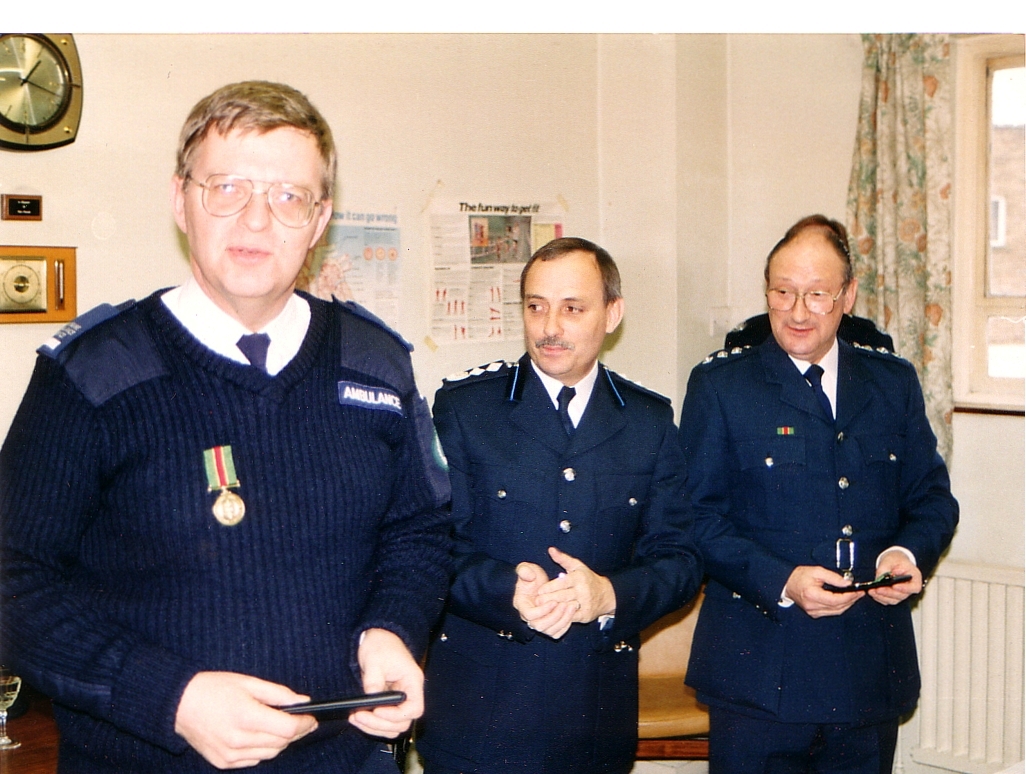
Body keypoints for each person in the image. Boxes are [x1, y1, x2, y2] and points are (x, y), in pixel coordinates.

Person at [0, 81, 451, 773]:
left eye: (288, 196)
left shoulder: (377, 362)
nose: (257, 221)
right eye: (228, 188)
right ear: (180, 200)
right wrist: (169, 696)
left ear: (319, 217)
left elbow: (416, 532)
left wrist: (392, 630)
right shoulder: (93, 374)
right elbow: (13, 579)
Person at [677, 214, 959, 774]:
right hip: (758, 670)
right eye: (782, 293)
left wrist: (906, 554)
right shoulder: (721, 386)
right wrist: (781, 579)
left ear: (848, 296)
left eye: (816, 294)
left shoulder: (890, 382)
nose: (798, 311)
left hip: (866, 670)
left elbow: (931, 498)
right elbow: (693, 519)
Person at [416, 237, 703, 774]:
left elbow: (680, 560)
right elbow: (429, 546)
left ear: (612, 314)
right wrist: (506, 588)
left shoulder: (648, 422)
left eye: (573, 308)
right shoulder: (466, 410)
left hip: (592, 714)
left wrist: (610, 593)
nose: (551, 326)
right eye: (536, 306)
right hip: (480, 711)